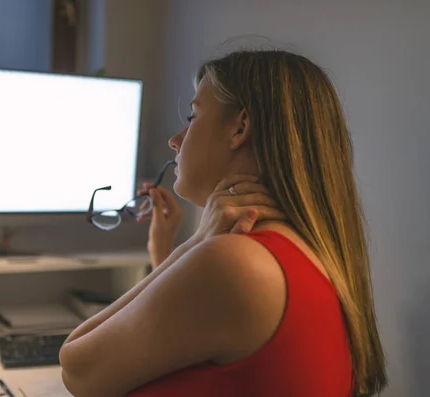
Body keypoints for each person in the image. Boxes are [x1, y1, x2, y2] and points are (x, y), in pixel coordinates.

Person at [59, 49, 387, 397]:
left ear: (240, 128)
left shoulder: (236, 263)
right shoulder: (302, 252)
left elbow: (76, 369)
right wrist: (168, 252)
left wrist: (197, 242)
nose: (175, 141)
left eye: (192, 117)